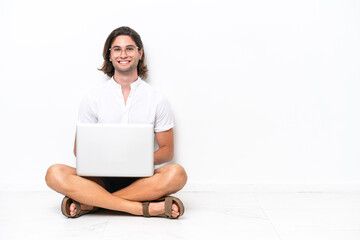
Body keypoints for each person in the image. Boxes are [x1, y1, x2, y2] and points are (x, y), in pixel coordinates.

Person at [45, 26, 187, 219]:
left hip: (142, 180)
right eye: (117, 49)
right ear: (109, 56)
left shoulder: (157, 99)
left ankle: (90, 203)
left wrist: (135, 160)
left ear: (139, 53)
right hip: (99, 179)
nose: (123, 54)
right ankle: (140, 208)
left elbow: (167, 151)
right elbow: (79, 151)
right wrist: (110, 159)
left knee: (177, 174)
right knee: (54, 173)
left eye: (129, 48)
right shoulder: (92, 98)